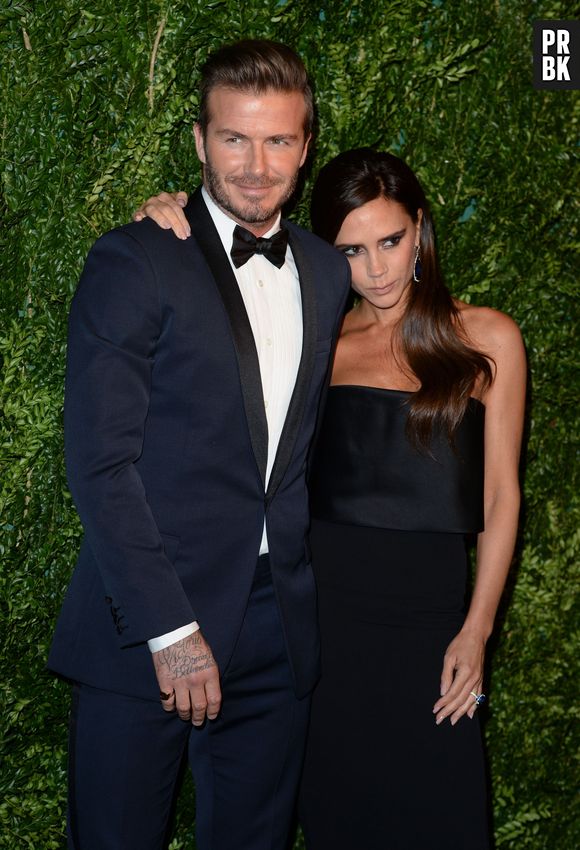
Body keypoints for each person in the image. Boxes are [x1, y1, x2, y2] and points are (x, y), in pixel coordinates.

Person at [138, 148, 526, 849]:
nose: (376, 269)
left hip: (432, 629)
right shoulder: (320, 339)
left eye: (390, 241)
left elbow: (501, 497)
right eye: (351, 250)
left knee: (446, 816)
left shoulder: (488, 338)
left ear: (420, 232)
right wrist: (169, 215)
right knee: (337, 819)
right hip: (325, 627)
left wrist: (478, 630)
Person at [48, 39, 350, 850]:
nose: (256, 165)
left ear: (306, 144)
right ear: (197, 141)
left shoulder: (328, 274)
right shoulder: (137, 258)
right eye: (234, 139)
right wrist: (171, 633)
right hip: (146, 626)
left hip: (276, 633)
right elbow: (100, 463)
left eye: (279, 140)